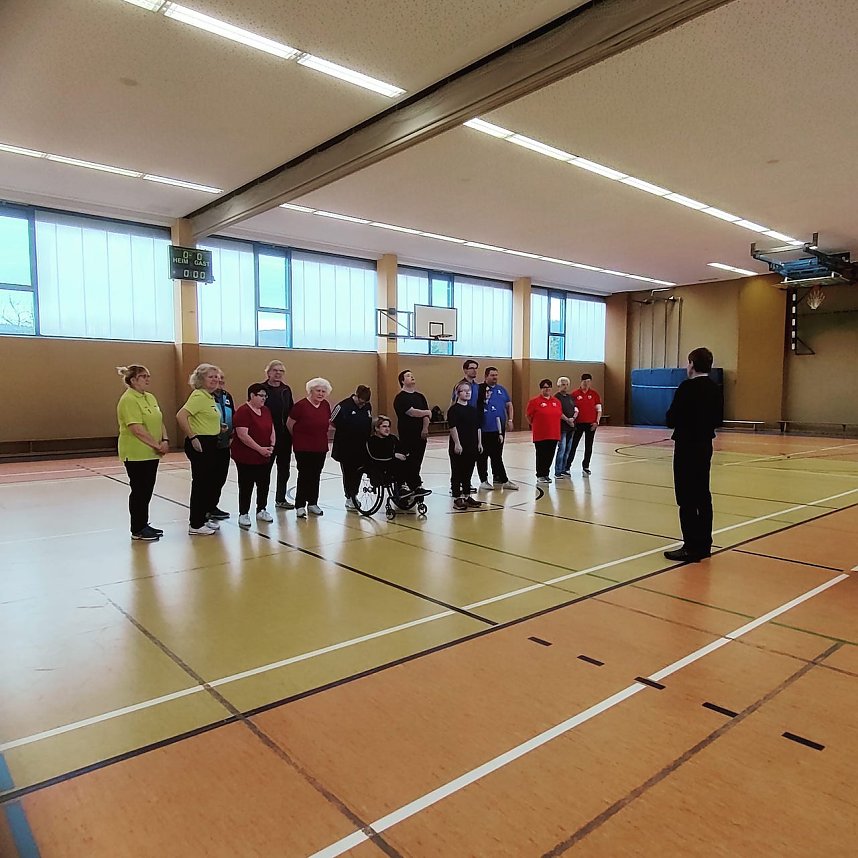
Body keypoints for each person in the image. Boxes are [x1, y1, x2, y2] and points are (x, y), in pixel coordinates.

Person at [664, 347, 723, 563]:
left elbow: (671, 419)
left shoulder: (687, 388)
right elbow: (717, 420)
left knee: (686, 497)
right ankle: (704, 544)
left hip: (686, 447)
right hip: (704, 446)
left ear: (692, 364)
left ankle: (690, 546)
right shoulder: (715, 389)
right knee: (703, 495)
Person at [116, 365, 169, 541]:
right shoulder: (128, 399)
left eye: (148, 376)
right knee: (139, 490)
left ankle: (144, 524)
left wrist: (165, 440)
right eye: (143, 376)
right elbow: (136, 428)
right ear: (133, 380)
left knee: (147, 490)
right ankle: (137, 528)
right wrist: (156, 445)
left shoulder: (150, 397)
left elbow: (159, 420)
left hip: (151, 453)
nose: (147, 379)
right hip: (136, 453)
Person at [176, 364, 223, 536]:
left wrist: (218, 427)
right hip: (201, 443)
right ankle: (195, 524)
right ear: (201, 379)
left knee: (208, 482)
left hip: (211, 442)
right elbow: (181, 415)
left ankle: (202, 518)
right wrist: (193, 437)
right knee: (201, 483)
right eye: (211, 376)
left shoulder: (209, 397)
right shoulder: (198, 396)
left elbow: (204, 418)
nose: (215, 379)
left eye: (217, 376)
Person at [230, 384, 275, 529]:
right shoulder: (243, 411)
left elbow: (271, 428)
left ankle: (261, 509)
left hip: (265, 455)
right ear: (252, 395)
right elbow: (243, 435)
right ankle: (243, 513)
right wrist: (259, 449)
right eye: (261, 396)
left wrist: (272, 445)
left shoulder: (266, 410)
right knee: (246, 485)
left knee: (264, 483)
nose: (263, 399)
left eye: (265, 396)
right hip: (246, 456)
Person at [287, 378, 333, 518]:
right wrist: (299, 437)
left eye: (323, 391)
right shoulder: (300, 405)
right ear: (311, 391)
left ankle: (313, 503)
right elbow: (290, 424)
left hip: (320, 446)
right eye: (318, 391)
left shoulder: (325, 405)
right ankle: (300, 505)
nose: (321, 394)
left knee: (316, 474)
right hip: (303, 447)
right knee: (304, 475)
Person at [330, 385, 373, 510]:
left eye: (365, 403)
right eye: (361, 402)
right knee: (348, 473)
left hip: (361, 446)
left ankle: (355, 494)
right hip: (346, 447)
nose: (362, 405)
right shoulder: (343, 406)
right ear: (356, 396)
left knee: (359, 472)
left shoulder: (367, 406)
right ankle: (349, 496)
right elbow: (331, 421)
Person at [260, 360, 295, 510]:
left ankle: (280, 499)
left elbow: (291, 411)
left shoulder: (286, 390)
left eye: (281, 371)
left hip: (284, 437)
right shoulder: (261, 389)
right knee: (265, 471)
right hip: (267, 437)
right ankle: (261, 504)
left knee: (284, 470)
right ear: (268, 373)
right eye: (275, 370)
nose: (278, 373)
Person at [476, 366, 518, 491]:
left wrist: (510, 420)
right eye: (492, 375)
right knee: (482, 455)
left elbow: (509, 405)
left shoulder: (502, 390)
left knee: (497, 455)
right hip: (483, 429)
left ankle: (500, 478)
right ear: (486, 376)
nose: (495, 377)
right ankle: (483, 480)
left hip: (498, 429)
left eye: (496, 375)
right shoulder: (479, 389)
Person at [393, 370, 432, 498]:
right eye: (408, 376)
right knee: (408, 461)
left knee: (417, 461)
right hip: (407, 435)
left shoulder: (420, 397)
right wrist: (426, 412)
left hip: (420, 435)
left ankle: (415, 485)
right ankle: (404, 485)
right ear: (402, 381)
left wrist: (425, 428)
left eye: (412, 375)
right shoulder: (400, 398)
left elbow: (427, 416)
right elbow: (412, 412)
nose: (412, 377)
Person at [448, 381, 483, 509]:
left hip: (471, 445)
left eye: (469, 390)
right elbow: (453, 427)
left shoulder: (473, 410)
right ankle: (457, 498)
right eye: (464, 390)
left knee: (468, 471)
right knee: (457, 471)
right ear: (458, 393)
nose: (468, 392)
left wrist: (479, 443)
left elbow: (478, 427)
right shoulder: (454, 410)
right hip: (459, 446)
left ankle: (467, 496)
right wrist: (457, 443)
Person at [208, 370, 235, 522]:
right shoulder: (204, 396)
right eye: (217, 378)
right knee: (208, 478)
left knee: (220, 477)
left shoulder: (227, 396)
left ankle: (213, 506)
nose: (220, 380)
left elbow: (233, 414)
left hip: (225, 443)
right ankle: (203, 509)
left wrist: (232, 435)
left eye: (222, 378)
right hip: (209, 443)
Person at [526, 379, 563, 483]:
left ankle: (546, 474)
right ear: (541, 389)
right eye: (545, 387)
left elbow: (559, 414)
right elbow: (528, 416)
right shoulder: (534, 402)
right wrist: (534, 425)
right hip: (540, 434)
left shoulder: (556, 402)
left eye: (549, 387)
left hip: (554, 433)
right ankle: (540, 475)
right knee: (541, 454)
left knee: (550, 455)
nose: (547, 389)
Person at [567, 373, 602, 475]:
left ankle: (586, 466)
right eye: (584, 381)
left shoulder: (594, 394)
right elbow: (571, 409)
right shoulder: (574, 394)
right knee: (573, 445)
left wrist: (597, 422)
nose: (586, 384)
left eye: (588, 382)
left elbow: (599, 409)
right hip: (578, 424)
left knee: (589, 446)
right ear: (581, 382)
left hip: (591, 424)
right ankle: (567, 466)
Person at [366, 415, 408, 491]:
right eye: (384, 426)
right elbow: (376, 455)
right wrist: (394, 455)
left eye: (388, 427)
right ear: (376, 428)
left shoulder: (392, 438)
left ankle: (415, 487)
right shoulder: (372, 441)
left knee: (411, 462)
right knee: (398, 464)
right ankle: (401, 488)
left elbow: (401, 448)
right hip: (379, 466)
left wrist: (406, 454)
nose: (387, 429)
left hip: (392, 464)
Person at [554, 376, 578, 478]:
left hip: (571, 428)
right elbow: (558, 412)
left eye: (567, 384)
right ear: (559, 385)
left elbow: (576, 409)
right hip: (562, 427)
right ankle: (558, 471)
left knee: (568, 449)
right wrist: (567, 420)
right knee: (562, 449)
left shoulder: (570, 397)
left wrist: (573, 418)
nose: (565, 386)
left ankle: (564, 469)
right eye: (563, 384)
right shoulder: (556, 398)